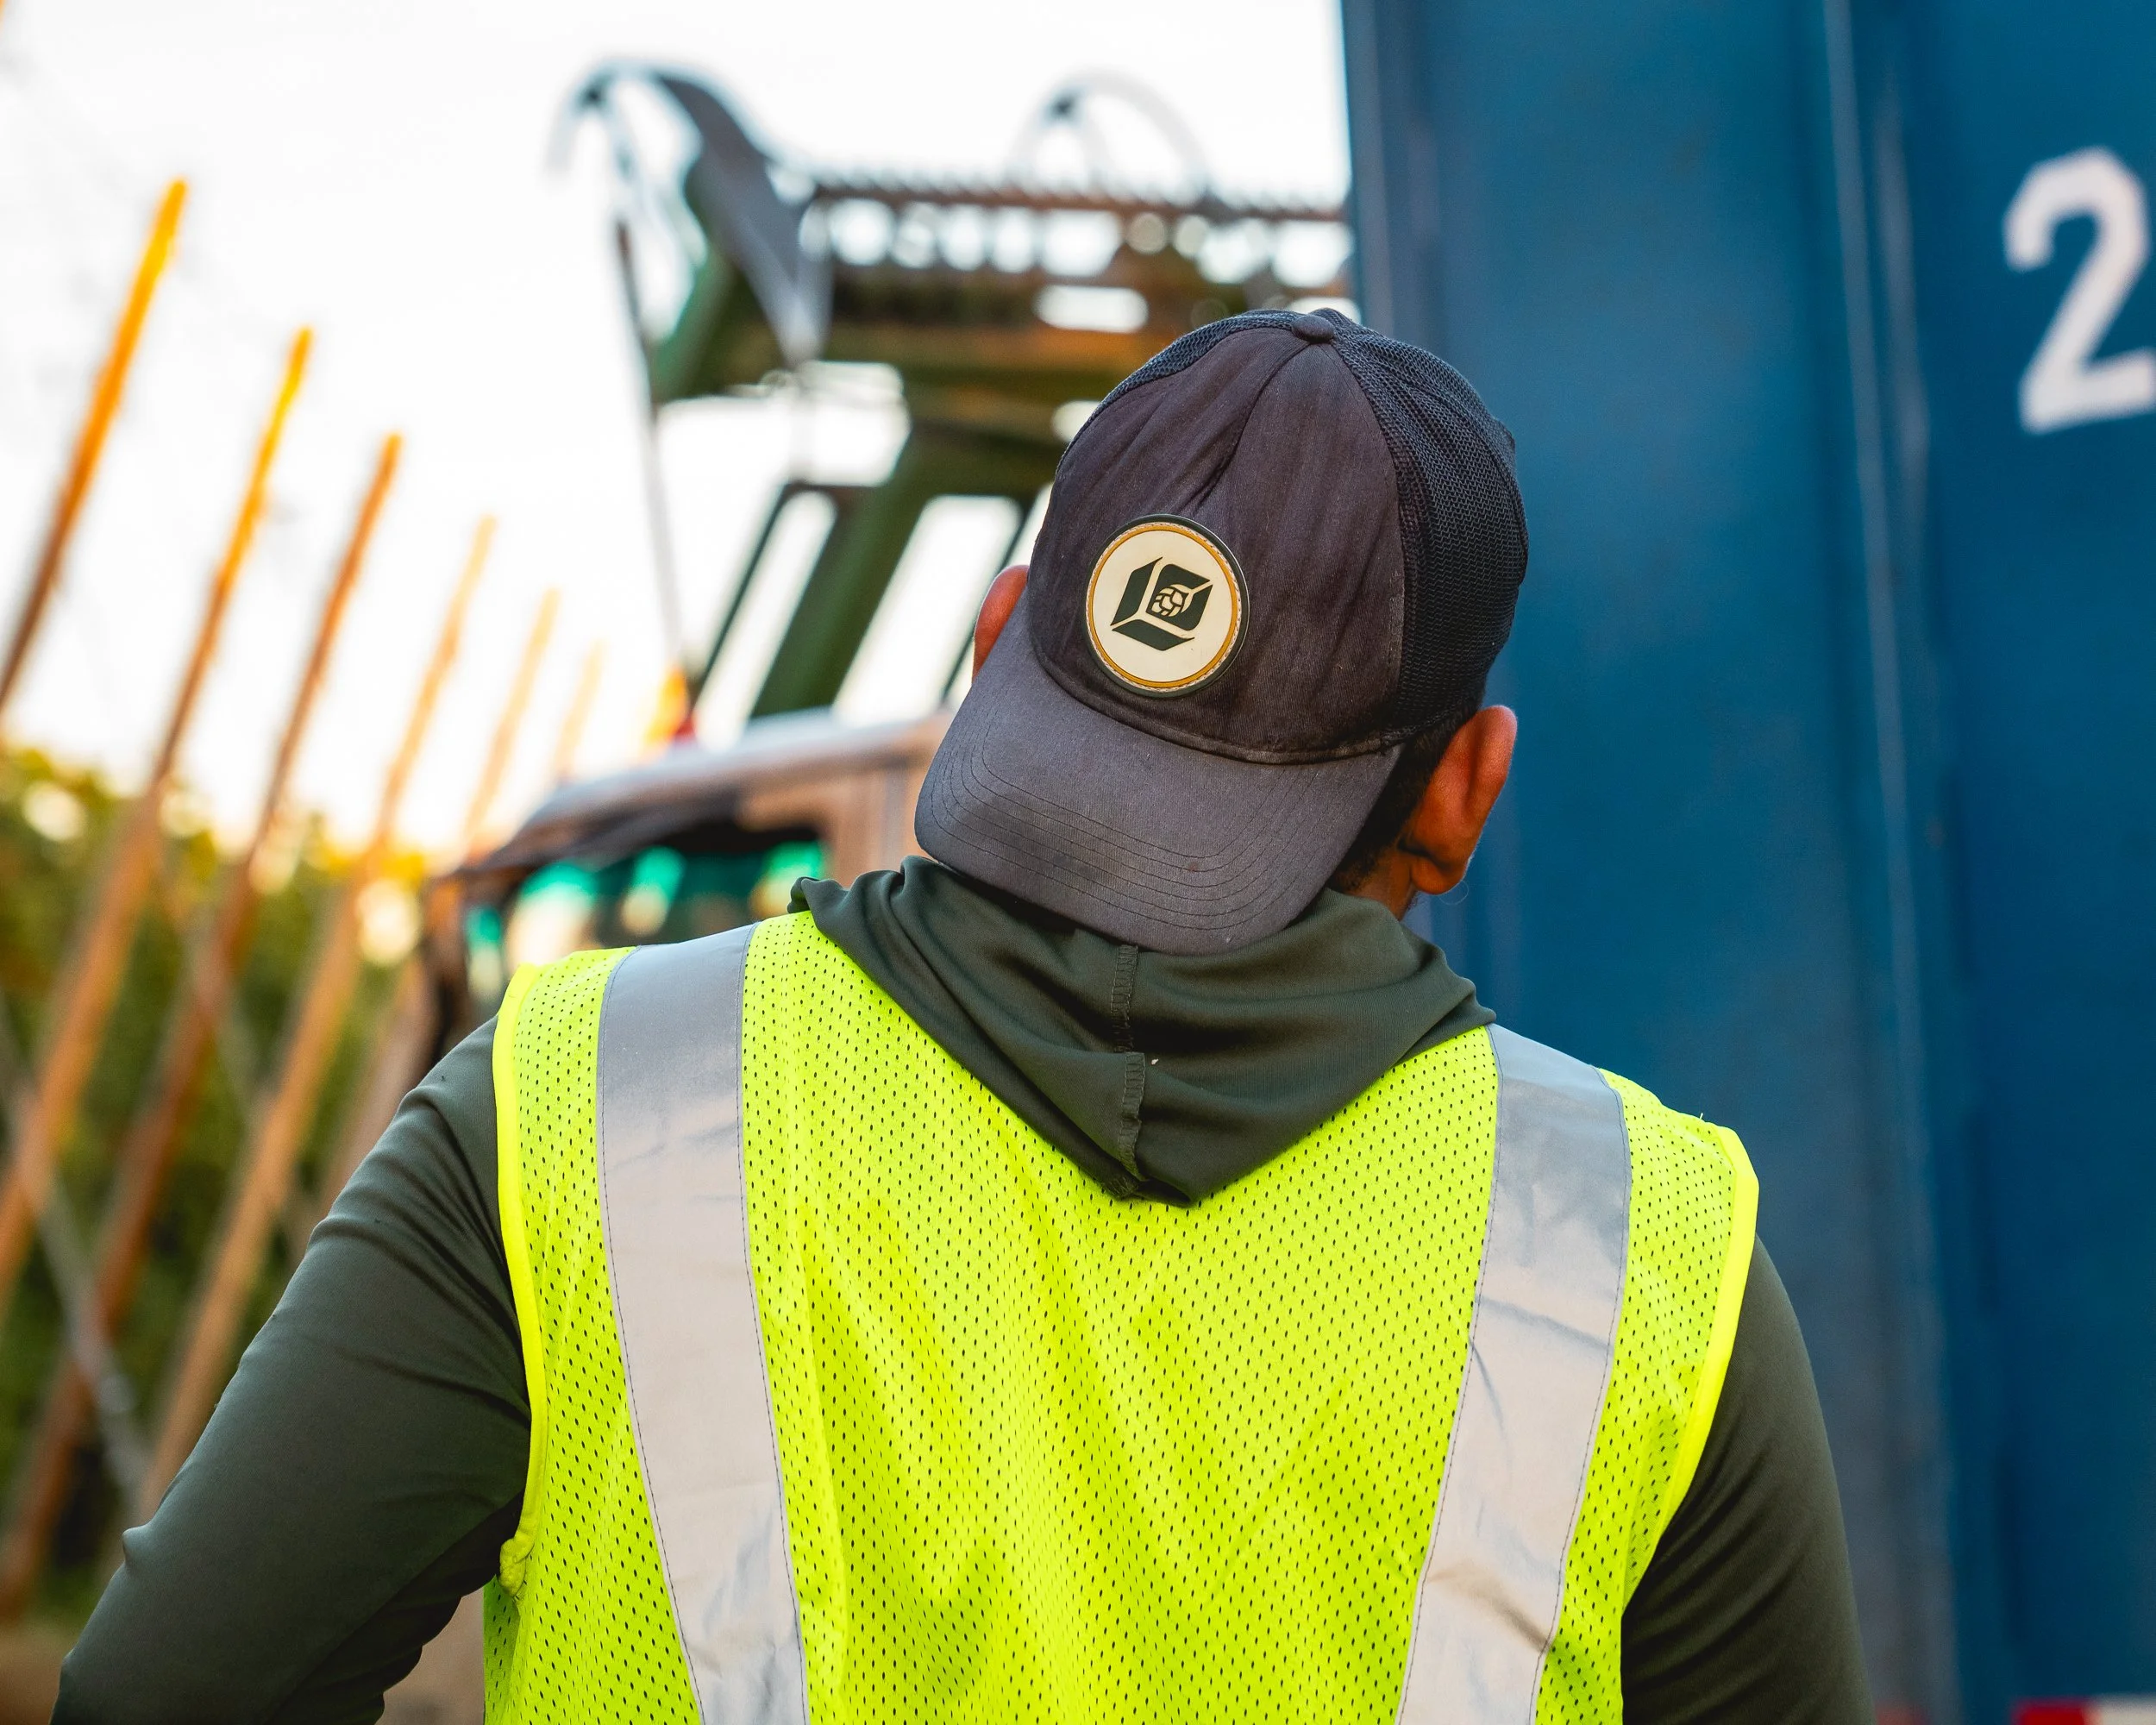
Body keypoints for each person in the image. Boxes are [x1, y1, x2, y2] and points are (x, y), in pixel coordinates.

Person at [58, 309, 1870, 1722]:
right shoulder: (1641, 1255)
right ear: (1465, 787)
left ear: (996, 632)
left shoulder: (575, 1107)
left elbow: (165, 1692)